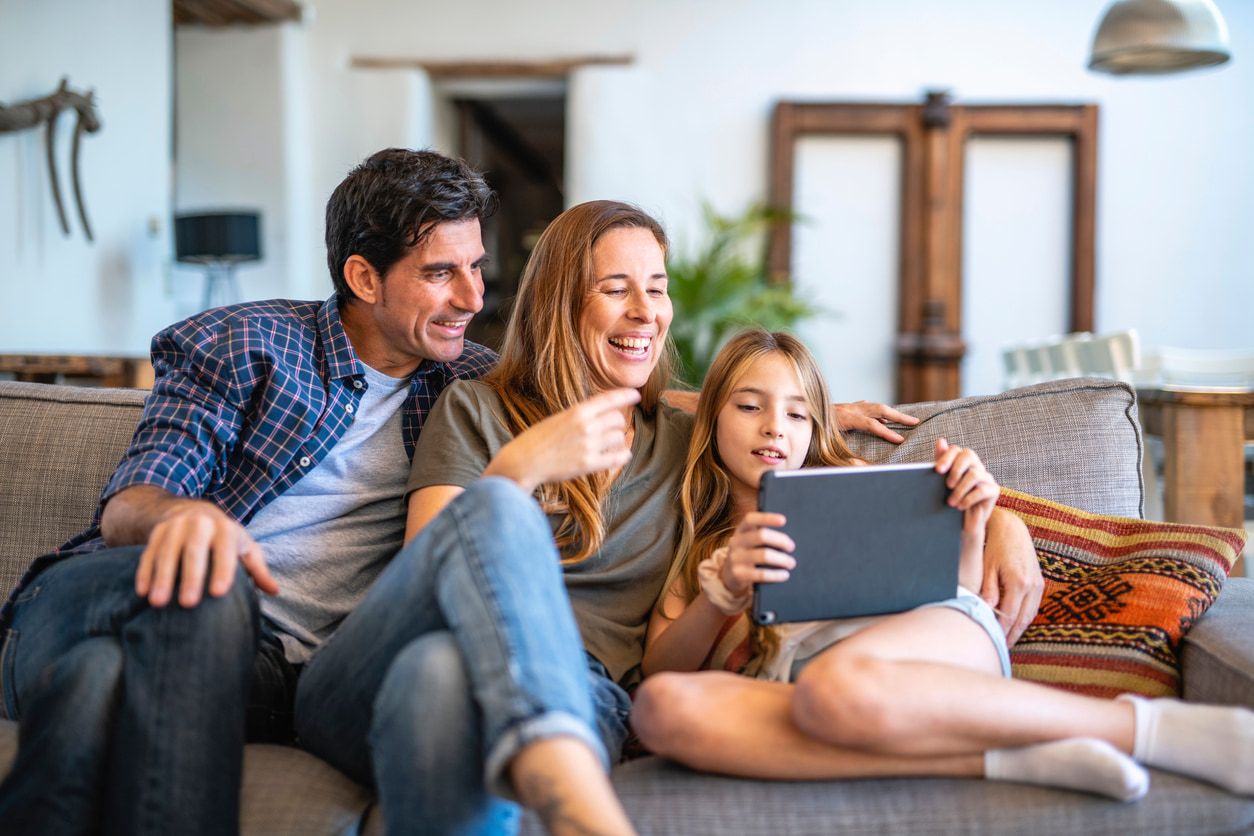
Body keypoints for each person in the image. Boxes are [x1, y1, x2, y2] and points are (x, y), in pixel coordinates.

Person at [0, 149, 635, 836]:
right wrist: (186, 518)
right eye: (441, 273)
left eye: (475, 266)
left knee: (95, 685)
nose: (473, 298)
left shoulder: (473, 389)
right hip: (105, 600)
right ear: (363, 276)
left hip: (277, 680)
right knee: (213, 588)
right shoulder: (246, 344)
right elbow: (132, 505)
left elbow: (597, 391)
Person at [401, 201, 1049, 829]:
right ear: (558, 304)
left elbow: (808, 454)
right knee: (447, 643)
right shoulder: (475, 412)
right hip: (461, 646)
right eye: (616, 288)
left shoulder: (683, 439)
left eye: (657, 289)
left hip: (584, 681)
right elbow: (423, 588)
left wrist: (1001, 523)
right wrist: (518, 473)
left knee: (450, 693)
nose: (645, 312)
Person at [631, 328, 1254, 801]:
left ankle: (1137, 728)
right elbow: (661, 668)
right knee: (660, 711)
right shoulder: (704, 549)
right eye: (748, 407)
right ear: (708, 418)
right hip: (809, 696)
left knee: (833, 685)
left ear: (816, 427)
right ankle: (1014, 757)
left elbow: (953, 592)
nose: (775, 428)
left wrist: (979, 520)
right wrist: (721, 596)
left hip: (935, 645)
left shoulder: (857, 484)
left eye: (796, 413)